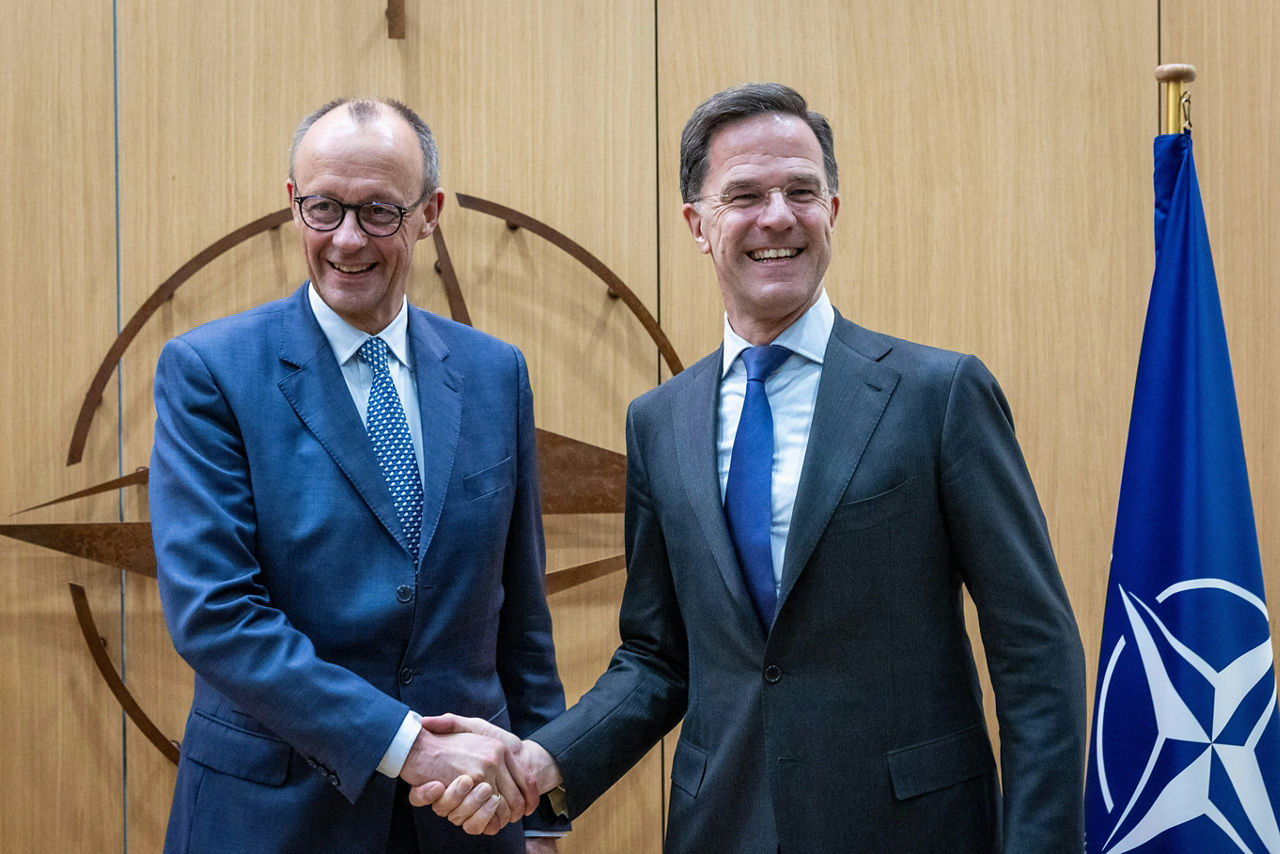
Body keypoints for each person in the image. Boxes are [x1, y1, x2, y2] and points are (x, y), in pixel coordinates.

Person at [416, 82, 1087, 852]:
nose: (777, 216)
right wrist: (543, 761)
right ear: (697, 225)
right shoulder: (659, 422)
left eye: (801, 191)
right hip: (722, 829)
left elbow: (1036, 653)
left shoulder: (940, 396)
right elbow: (657, 659)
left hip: (913, 830)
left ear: (833, 210)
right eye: (744, 195)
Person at [149, 97, 567, 854]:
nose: (347, 238)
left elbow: (520, 617)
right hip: (274, 819)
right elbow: (216, 614)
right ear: (293, 204)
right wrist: (411, 746)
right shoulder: (210, 371)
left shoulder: (495, 373)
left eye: (379, 211)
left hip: (468, 823)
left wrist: (541, 812)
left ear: (429, 213)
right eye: (324, 208)